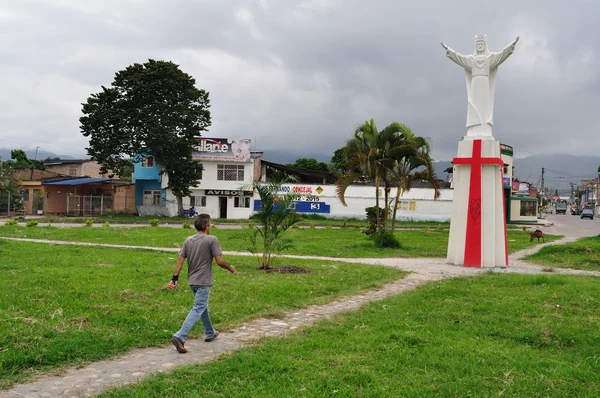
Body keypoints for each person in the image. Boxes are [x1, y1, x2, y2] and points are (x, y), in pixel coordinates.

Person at [168, 213, 236, 353]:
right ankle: (180, 336)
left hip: (192, 281)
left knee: (202, 306)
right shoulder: (212, 239)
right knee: (198, 308)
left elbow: (180, 260)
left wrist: (175, 278)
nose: (210, 226)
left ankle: (210, 332)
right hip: (204, 281)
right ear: (206, 226)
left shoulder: (188, 240)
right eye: (210, 224)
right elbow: (219, 261)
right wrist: (230, 267)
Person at [441, 35, 519, 137]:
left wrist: (511, 45)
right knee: (474, 105)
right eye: (478, 44)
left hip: (485, 84)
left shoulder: (490, 58)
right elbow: (459, 58)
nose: (480, 46)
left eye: (482, 44)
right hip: (475, 84)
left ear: (485, 45)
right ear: (475, 46)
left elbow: (501, 55)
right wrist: (449, 50)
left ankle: (485, 129)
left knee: (485, 107)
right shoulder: (471, 59)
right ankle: (473, 128)